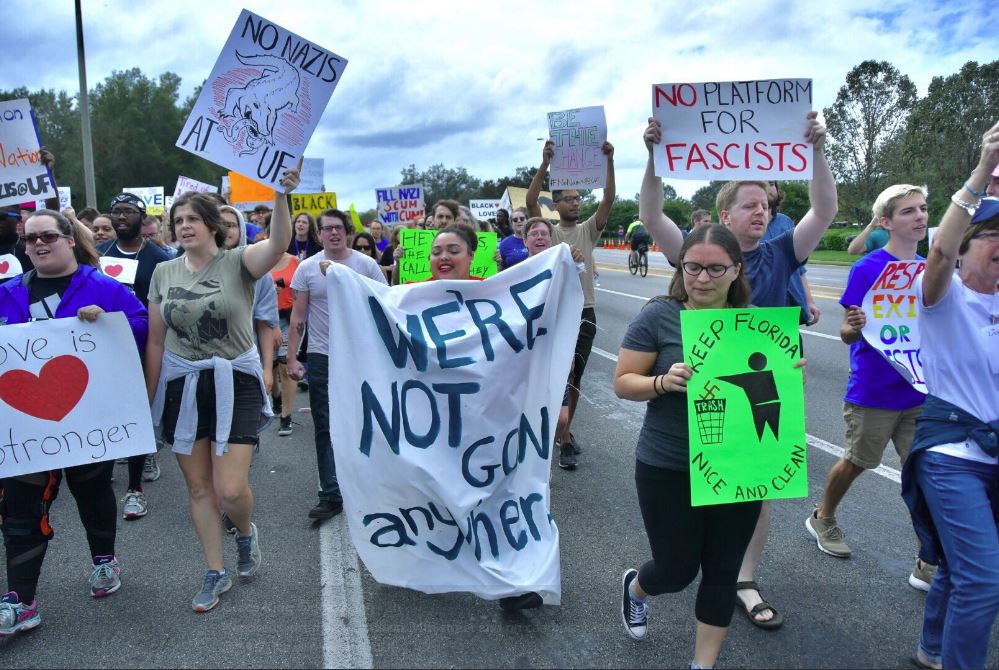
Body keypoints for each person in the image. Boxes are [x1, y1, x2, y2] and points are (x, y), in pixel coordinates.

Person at [640, 112, 836, 629]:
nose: (762, 212)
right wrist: (654, 159)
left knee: (761, 482)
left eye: (767, 205)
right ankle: (695, 566)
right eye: (750, 204)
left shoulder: (782, 252)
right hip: (709, 390)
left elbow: (825, 208)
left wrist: (816, 149)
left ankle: (742, 580)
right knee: (704, 485)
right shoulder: (698, 252)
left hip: (768, 387)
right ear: (724, 214)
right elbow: (651, 213)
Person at [616, 224, 786, 668]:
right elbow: (623, 383)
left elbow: (773, 391)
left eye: (715, 268)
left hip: (738, 466)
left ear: (736, 270)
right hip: (668, 464)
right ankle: (638, 587)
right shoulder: (658, 315)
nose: (703, 277)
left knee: (723, 571)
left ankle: (702, 664)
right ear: (681, 266)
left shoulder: (757, 325)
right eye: (693, 266)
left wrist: (791, 374)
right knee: (676, 570)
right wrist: (660, 381)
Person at [145, 161, 299, 613]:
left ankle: (246, 535)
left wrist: (281, 195)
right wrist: (150, 397)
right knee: (198, 489)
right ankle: (215, 570)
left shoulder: (239, 262)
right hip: (183, 385)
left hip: (236, 380)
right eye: (178, 221)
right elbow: (156, 339)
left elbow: (279, 243)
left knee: (230, 490)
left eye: (192, 219)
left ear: (213, 225)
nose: (184, 226)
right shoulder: (164, 273)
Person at [0, 209, 148, 637]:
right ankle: (22, 599)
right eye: (29, 240)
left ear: (69, 239)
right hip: (25, 428)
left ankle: (104, 559)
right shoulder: (8, 292)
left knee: (91, 490)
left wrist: (106, 320)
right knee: (20, 511)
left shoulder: (104, 287)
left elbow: (141, 326)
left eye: (47, 235)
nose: (38, 244)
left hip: (87, 420)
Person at [900, 122, 999, 670]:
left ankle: (932, 648)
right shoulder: (940, 295)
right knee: (984, 582)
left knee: (965, 572)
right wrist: (984, 168)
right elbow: (936, 253)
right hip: (952, 455)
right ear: (965, 246)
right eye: (994, 235)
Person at [808, 185, 933, 582]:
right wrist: (852, 326)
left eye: (923, 209)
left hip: (921, 388)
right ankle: (823, 517)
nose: (920, 217)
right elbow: (847, 332)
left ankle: (929, 557)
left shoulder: (930, 267)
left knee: (926, 473)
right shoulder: (867, 268)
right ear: (886, 222)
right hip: (875, 389)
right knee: (859, 461)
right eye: (909, 211)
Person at [287, 209, 386, 521]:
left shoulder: (366, 265)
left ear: (347, 231)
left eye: (338, 228)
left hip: (361, 355)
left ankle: (368, 486)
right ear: (318, 235)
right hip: (322, 355)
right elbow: (298, 316)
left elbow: (384, 304)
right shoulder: (307, 268)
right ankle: (330, 493)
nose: (333, 233)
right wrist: (291, 356)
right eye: (326, 229)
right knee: (325, 423)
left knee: (363, 420)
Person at [527, 137, 616, 469]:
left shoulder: (589, 230)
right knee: (554, 372)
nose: (576, 203)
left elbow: (608, 198)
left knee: (575, 372)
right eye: (569, 199)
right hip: (554, 309)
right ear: (557, 204)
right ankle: (552, 429)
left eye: (579, 199)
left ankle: (565, 435)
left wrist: (609, 161)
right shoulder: (546, 232)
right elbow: (533, 199)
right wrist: (545, 163)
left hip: (584, 311)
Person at [99, 193, 172, 521]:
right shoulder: (99, 254)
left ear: (142, 218)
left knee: (139, 410)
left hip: (144, 344)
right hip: (104, 347)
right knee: (107, 410)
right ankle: (123, 453)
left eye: (128, 211)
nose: (121, 217)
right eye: (116, 212)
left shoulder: (158, 257)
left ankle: (135, 488)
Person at [764, 181, 820, 325]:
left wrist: (809, 301)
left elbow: (799, 268)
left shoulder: (785, 221)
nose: (768, 187)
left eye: (771, 183)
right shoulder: (746, 225)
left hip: (790, 305)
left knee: (790, 345)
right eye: (761, 182)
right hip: (761, 308)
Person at [268, 248, 299, 437]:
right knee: (270, 367)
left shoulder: (296, 262)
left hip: (289, 319)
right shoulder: (260, 259)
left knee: (284, 367)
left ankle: (286, 416)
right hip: (265, 320)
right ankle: (276, 397)